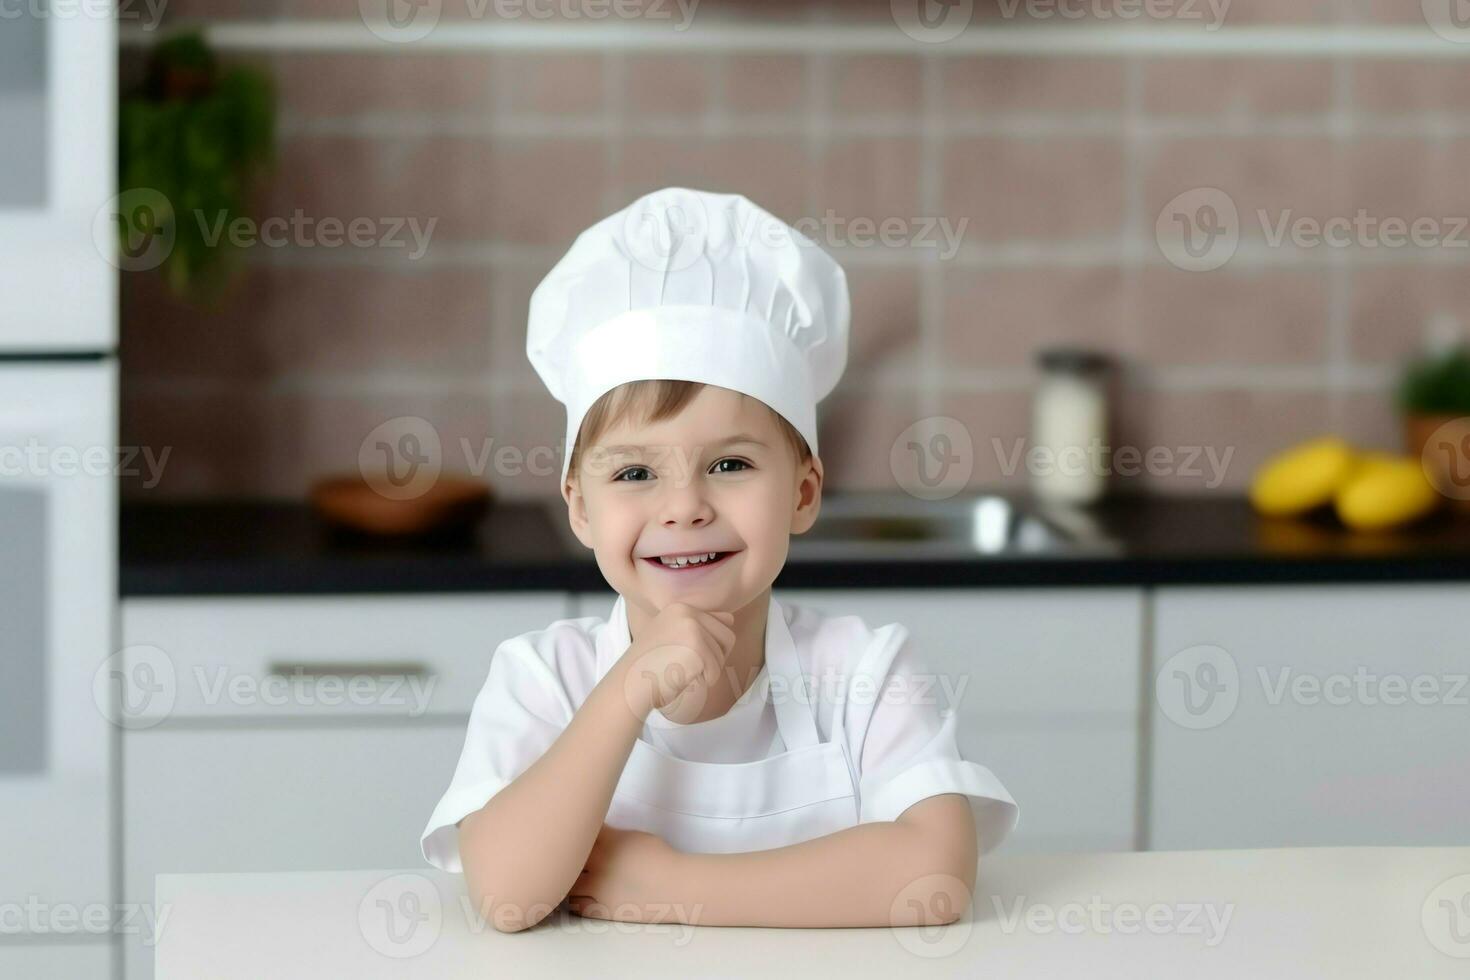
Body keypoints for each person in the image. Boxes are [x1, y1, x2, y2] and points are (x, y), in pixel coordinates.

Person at [420, 187, 1017, 932]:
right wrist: (625, 693)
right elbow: (507, 895)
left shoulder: (865, 672)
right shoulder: (545, 679)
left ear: (803, 493)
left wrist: (669, 885)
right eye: (635, 474)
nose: (684, 507)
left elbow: (932, 878)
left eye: (730, 465)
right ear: (579, 507)